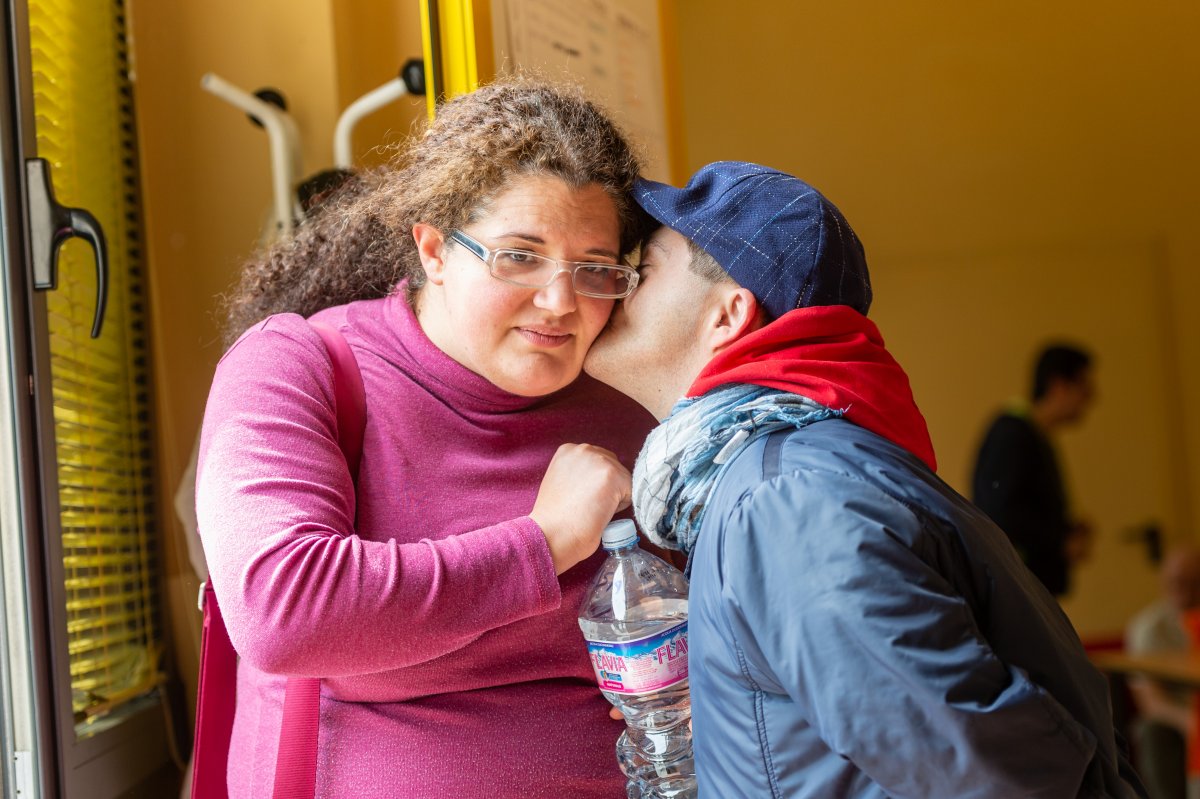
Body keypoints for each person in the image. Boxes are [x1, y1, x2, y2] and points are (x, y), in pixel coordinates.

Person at [583, 161, 1146, 797]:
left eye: (646, 268)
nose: (617, 287)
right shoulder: (781, 476)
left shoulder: (785, 501)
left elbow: (985, 777)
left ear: (727, 316)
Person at [195, 79, 657, 798]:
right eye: (520, 255)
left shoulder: (631, 397)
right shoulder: (299, 365)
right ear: (434, 249)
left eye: (594, 268)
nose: (560, 302)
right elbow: (283, 610)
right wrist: (545, 542)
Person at [972, 343, 1097, 596]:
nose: (1091, 398)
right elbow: (1001, 513)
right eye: (1084, 387)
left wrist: (1066, 529)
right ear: (1059, 385)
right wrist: (1060, 541)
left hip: (1027, 589)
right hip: (1017, 590)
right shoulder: (1013, 433)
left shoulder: (1033, 434)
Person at [1126, 547, 1200, 799]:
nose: (1185, 589)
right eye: (1177, 581)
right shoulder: (1149, 628)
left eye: (1194, 581)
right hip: (1176, 715)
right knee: (1151, 730)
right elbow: (1151, 702)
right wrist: (1193, 722)